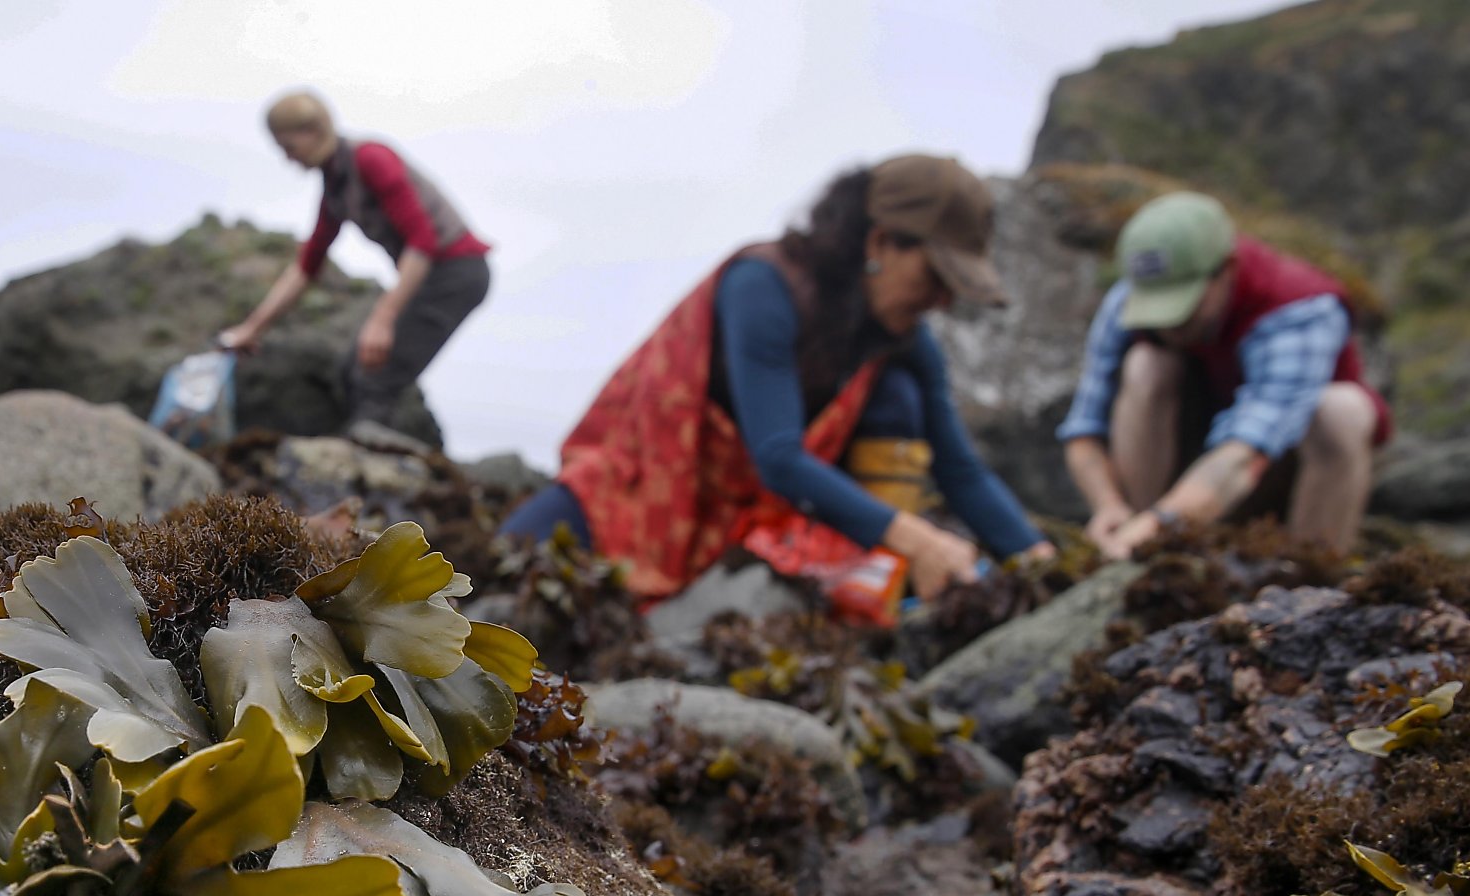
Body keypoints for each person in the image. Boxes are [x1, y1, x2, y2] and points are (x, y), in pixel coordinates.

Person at [501, 155, 1050, 620]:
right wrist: (921, 541)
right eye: (936, 277)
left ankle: (870, 599)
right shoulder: (765, 286)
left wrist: (1039, 563)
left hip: (759, 519)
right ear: (880, 242)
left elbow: (959, 470)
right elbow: (779, 458)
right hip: (646, 481)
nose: (943, 302)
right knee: (503, 573)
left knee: (898, 397)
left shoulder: (902, 341)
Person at [1059, 191, 1391, 559]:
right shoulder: (1130, 296)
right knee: (1146, 363)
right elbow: (1083, 429)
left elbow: (1245, 454)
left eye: (1184, 305)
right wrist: (1107, 504)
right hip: (1187, 467)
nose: (1169, 325)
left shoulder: (1299, 307)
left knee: (1342, 413)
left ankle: (1308, 573)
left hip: (1277, 470)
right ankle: (1136, 542)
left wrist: (1161, 522)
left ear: (1226, 269)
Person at [220, 90, 491, 437]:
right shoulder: (336, 184)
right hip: (428, 276)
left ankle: (376, 473)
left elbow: (424, 240)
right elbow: (307, 266)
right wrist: (252, 329)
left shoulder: (371, 160)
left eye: (289, 147)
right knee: (351, 372)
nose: (289, 159)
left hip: (456, 273)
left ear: (314, 131)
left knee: (374, 376)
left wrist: (383, 318)